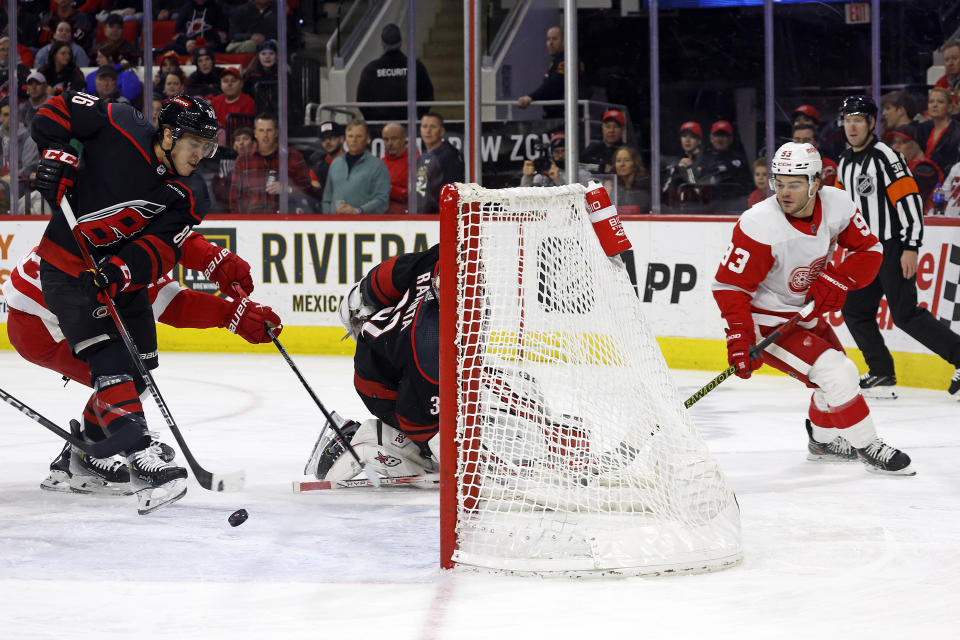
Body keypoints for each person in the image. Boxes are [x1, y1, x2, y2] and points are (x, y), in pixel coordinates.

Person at [29, 91, 267, 513]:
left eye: (208, 147)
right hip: (67, 271)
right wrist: (57, 153)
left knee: (139, 370)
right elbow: (58, 108)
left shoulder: (190, 194)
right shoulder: (120, 123)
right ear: (170, 135)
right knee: (111, 360)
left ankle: (84, 456)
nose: (202, 155)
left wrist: (121, 271)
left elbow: (160, 249)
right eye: (197, 144)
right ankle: (140, 458)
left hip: (120, 283)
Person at [2, 239, 281, 495]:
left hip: (59, 314)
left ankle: (89, 448)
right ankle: (90, 453)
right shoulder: (121, 245)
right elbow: (170, 302)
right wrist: (229, 314)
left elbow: (170, 280)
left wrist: (232, 312)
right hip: (41, 327)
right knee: (129, 374)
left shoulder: (129, 230)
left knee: (134, 371)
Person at [712, 141, 914, 475]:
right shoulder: (759, 224)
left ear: (815, 182)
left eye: (794, 183)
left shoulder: (837, 205)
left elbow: (869, 250)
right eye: (778, 183)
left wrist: (839, 279)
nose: (784, 192)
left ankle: (821, 443)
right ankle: (869, 446)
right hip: (769, 322)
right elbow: (731, 286)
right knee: (840, 373)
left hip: (805, 315)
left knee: (832, 381)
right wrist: (738, 335)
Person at [835, 95, 960, 398]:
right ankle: (881, 370)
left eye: (858, 120)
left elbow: (910, 202)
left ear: (872, 123)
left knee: (905, 314)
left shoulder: (886, 157)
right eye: (848, 120)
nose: (852, 126)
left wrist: (911, 246)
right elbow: (842, 209)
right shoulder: (844, 162)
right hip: (865, 252)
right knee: (855, 310)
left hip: (892, 245)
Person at [306, 245, 440, 482]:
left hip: (424, 398)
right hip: (427, 393)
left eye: (356, 326)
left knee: (436, 451)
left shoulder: (378, 340)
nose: (358, 332)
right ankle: (360, 441)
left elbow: (409, 418)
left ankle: (357, 441)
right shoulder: (416, 275)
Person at [229, 112, 312, 214]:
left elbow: (307, 190)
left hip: (285, 222)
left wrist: (288, 189)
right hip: (251, 224)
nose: (265, 135)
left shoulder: (294, 156)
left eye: (269, 130)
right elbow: (234, 198)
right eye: (261, 130)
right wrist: (239, 223)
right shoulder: (242, 160)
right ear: (255, 133)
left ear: (276, 132)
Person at [355, 23, 434, 123]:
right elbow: (427, 96)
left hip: (379, 128)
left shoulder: (371, 69)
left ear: (382, 44)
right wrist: (417, 117)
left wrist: (374, 122)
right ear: (401, 42)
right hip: (410, 126)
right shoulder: (415, 66)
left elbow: (362, 101)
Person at [320, 119, 390, 215]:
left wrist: (358, 211)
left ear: (368, 139)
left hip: (364, 227)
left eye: (359, 136)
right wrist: (328, 218)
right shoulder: (335, 164)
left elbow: (382, 200)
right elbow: (326, 199)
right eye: (350, 136)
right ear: (345, 139)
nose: (354, 140)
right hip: (335, 227)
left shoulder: (378, 166)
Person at [516, 26, 575, 119]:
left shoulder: (568, 60)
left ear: (564, 41)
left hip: (565, 117)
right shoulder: (556, 62)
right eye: (548, 39)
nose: (550, 43)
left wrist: (530, 97)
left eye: (555, 39)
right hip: (554, 116)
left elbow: (554, 84)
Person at [414, 112, 464, 214]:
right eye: (424, 126)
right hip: (422, 218)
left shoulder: (449, 155)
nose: (428, 131)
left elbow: (452, 192)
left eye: (432, 127)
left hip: (439, 217)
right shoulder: (423, 157)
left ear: (441, 131)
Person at [886, 124, 943, 211]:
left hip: (927, 221)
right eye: (894, 142)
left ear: (916, 145)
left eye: (903, 142)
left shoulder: (925, 169)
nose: (896, 146)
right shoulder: (901, 167)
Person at [701, 120, 752, 207]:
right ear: (711, 138)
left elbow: (747, 185)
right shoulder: (702, 158)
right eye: (717, 135)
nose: (720, 139)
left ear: (731, 138)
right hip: (707, 205)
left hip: (734, 204)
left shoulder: (740, 159)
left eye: (724, 135)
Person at [914, 87, 960, 176]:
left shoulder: (957, 130)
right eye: (931, 102)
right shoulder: (922, 129)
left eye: (940, 102)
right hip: (925, 176)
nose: (934, 105)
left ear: (949, 107)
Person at [662, 120, 707, 211]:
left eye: (692, 137)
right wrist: (676, 170)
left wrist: (689, 168)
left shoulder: (706, 161)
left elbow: (698, 190)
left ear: (699, 141)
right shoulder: (674, 160)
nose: (687, 140)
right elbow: (665, 191)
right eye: (684, 136)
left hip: (700, 209)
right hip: (675, 208)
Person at [380, 121, 413, 214]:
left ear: (404, 138)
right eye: (386, 139)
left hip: (404, 219)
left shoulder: (414, 162)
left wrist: (389, 189)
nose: (390, 143)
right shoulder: (380, 163)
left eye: (394, 139)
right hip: (380, 218)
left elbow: (415, 195)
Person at [581, 109, 627, 174]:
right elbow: (579, 166)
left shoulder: (627, 152)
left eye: (616, 126)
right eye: (608, 126)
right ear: (602, 127)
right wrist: (599, 167)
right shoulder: (593, 148)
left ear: (623, 129)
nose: (611, 130)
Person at [308, 120, 344, 198]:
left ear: (342, 139)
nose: (327, 142)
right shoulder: (317, 169)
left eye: (332, 137)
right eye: (324, 139)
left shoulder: (355, 162)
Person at [242, 39, 280, 112]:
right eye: (263, 54)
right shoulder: (250, 75)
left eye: (271, 53)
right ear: (258, 56)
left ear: (276, 56)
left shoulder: (283, 74)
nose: (267, 57)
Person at [610, 145, 650, 211]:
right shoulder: (611, 186)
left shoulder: (646, 186)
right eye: (618, 161)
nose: (622, 164)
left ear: (635, 163)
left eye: (627, 160)